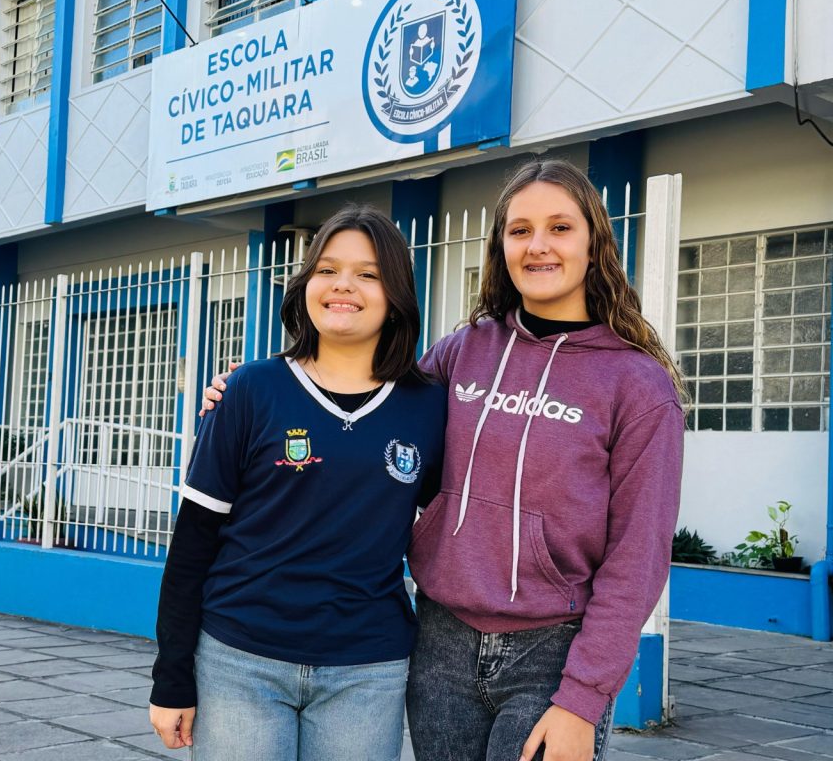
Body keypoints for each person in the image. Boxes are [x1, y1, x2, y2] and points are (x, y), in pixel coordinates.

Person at [201, 159, 685, 761]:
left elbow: (638, 555)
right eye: (520, 230)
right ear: (501, 246)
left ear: (595, 245)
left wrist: (585, 697)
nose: (538, 245)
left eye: (560, 228)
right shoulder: (462, 352)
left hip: (553, 651)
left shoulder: (638, 385)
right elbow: (367, 406)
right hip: (441, 643)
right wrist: (250, 390)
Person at [148, 204, 446, 760]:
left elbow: (451, 524)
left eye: (368, 273)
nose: (343, 285)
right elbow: (191, 546)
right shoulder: (249, 389)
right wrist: (172, 677)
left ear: (396, 295)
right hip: (240, 660)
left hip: (368, 669)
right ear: (306, 284)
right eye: (327, 269)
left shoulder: (429, 406)